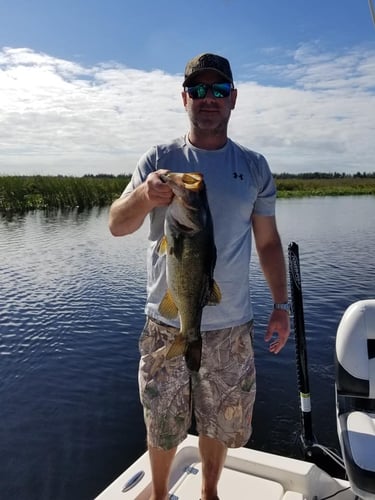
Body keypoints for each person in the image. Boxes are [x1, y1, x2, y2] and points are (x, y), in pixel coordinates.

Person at [109, 52, 290, 500]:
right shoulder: (159, 159)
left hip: (231, 326)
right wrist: (145, 197)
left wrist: (281, 305)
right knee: (162, 421)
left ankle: (209, 491)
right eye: (199, 90)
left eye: (218, 90)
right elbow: (116, 224)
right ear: (184, 98)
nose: (208, 99)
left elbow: (267, 244)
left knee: (219, 418)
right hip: (166, 322)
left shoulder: (253, 166)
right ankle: (160, 492)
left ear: (233, 99)